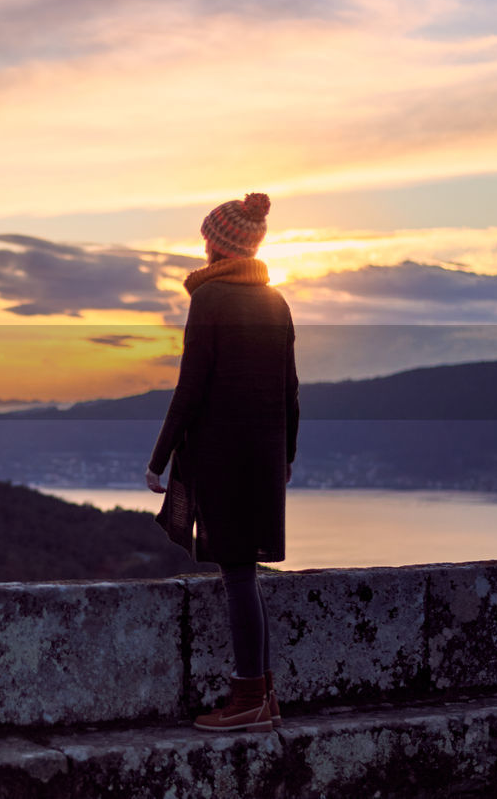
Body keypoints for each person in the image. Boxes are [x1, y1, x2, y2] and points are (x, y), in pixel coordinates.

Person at [145, 191, 299, 733]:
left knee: (237, 576)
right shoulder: (275, 302)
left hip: (223, 458)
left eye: (206, 236)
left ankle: (249, 699)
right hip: (262, 460)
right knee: (245, 576)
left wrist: (159, 458)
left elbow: (191, 387)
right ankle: (265, 695)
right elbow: (290, 392)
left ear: (216, 244)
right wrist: (285, 460)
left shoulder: (209, 301)